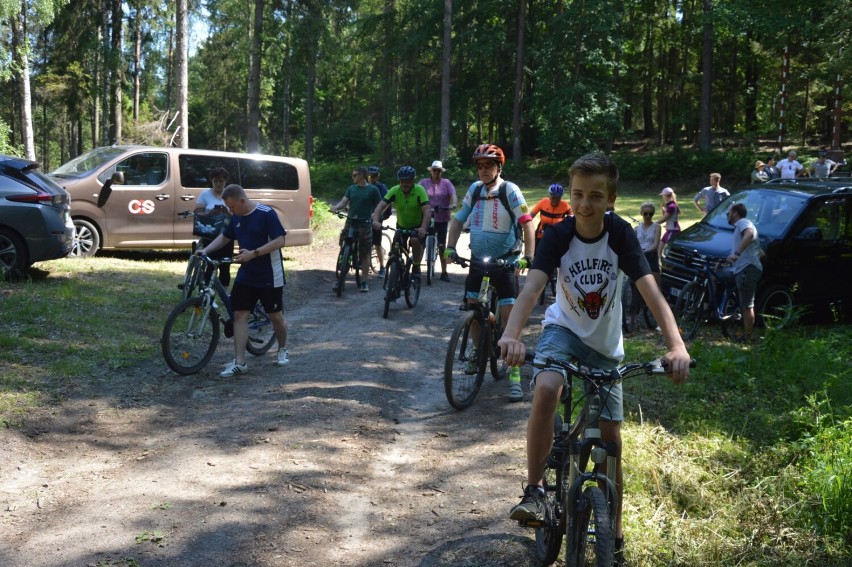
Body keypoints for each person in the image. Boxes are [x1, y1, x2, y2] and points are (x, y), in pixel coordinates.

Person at [498, 153, 691, 566]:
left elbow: (651, 292)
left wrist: (676, 346)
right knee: (548, 386)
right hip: (562, 333)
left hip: (605, 347)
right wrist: (511, 335)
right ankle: (534, 490)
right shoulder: (559, 236)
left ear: (611, 199)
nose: (584, 204)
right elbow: (532, 289)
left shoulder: (620, 235)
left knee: (611, 441)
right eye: (578, 194)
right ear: (570, 195)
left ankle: (615, 534)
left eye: (595, 196)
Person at [444, 144, 535, 403]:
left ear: (498, 167)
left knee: (509, 320)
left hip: (505, 263)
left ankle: (514, 375)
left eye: (489, 165)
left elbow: (527, 224)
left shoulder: (510, 190)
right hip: (478, 261)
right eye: (480, 166)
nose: (484, 170)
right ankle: (477, 350)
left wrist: (528, 256)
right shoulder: (474, 190)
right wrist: (450, 247)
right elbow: (458, 219)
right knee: (473, 311)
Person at [198, 184, 290, 378]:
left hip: (269, 274)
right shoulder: (237, 216)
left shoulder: (266, 213)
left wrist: (254, 254)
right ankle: (240, 362)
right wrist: (205, 251)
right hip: (247, 273)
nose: (230, 211)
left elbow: (280, 240)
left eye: (232, 207)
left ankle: (282, 348)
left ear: (242, 200)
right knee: (239, 314)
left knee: (275, 316)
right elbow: (225, 237)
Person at [372, 166, 431, 280]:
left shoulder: (419, 190)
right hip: (401, 226)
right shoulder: (395, 190)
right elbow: (380, 207)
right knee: (395, 251)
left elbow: (427, 211)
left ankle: (416, 266)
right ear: (399, 181)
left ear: (412, 180)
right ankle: (397, 269)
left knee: (415, 241)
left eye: (408, 181)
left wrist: (423, 228)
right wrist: (375, 221)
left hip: (417, 227)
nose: (405, 184)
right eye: (402, 181)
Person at [330, 166, 383, 292]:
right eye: (352, 175)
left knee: (365, 253)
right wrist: (336, 207)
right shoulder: (351, 188)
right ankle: (341, 276)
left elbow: (380, 206)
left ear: (362, 176)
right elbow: (344, 202)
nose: (352, 177)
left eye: (355, 175)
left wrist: (374, 217)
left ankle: (364, 282)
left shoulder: (373, 190)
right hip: (351, 221)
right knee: (344, 245)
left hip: (365, 224)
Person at [718, 202, 763, 342]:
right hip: (741, 268)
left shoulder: (743, 223)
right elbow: (761, 252)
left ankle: (747, 338)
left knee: (747, 306)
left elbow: (749, 235)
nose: (728, 216)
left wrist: (737, 254)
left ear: (735, 213)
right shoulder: (740, 227)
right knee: (717, 275)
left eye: (728, 213)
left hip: (747, 269)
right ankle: (719, 310)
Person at [194, 166, 235, 287]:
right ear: (211, 181)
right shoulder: (205, 194)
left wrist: (227, 212)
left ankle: (224, 294)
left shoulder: (230, 194)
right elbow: (198, 213)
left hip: (227, 235)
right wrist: (209, 214)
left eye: (221, 181)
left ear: (225, 181)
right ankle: (206, 293)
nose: (218, 184)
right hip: (210, 234)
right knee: (209, 264)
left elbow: (237, 213)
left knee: (225, 266)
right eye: (215, 181)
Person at [418, 160, 457, 282]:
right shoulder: (423, 183)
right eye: (434, 170)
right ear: (430, 171)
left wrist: (453, 203)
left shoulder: (446, 183)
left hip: (442, 217)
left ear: (441, 172)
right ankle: (416, 269)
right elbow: (416, 192)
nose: (436, 173)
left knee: (441, 245)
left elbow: (453, 194)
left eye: (439, 171)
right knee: (422, 242)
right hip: (427, 216)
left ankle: (444, 272)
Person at [530, 183, 573, 248]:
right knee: (537, 256)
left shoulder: (565, 205)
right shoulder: (543, 202)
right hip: (541, 236)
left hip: (557, 237)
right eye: (553, 197)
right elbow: (531, 215)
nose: (555, 200)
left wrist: (565, 225)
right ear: (549, 195)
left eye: (558, 198)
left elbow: (573, 217)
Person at [366, 166, 390, 277]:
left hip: (378, 215)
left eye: (374, 176)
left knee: (376, 242)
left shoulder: (381, 187)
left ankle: (382, 267)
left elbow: (386, 203)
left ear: (378, 176)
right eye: (370, 176)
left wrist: (377, 215)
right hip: (365, 214)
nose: (372, 178)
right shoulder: (364, 186)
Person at [635, 202, 662, 288]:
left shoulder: (657, 227)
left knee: (656, 285)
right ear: (641, 213)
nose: (648, 216)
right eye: (645, 213)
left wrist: (645, 252)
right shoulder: (636, 229)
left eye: (650, 214)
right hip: (639, 256)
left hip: (651, 256)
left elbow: (655, 244)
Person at [657, 187, 680, 264]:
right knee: (659, 249)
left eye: (663, 195)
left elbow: (664, 219)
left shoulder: (671, 206)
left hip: (673, 231)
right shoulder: (671, 205)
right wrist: (663, 209)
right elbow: (666, 217)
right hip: (670, 230)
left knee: (668, 251)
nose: (662, 197)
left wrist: (653, 224)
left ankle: (667, 264)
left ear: (667, 195)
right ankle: (660, 263)